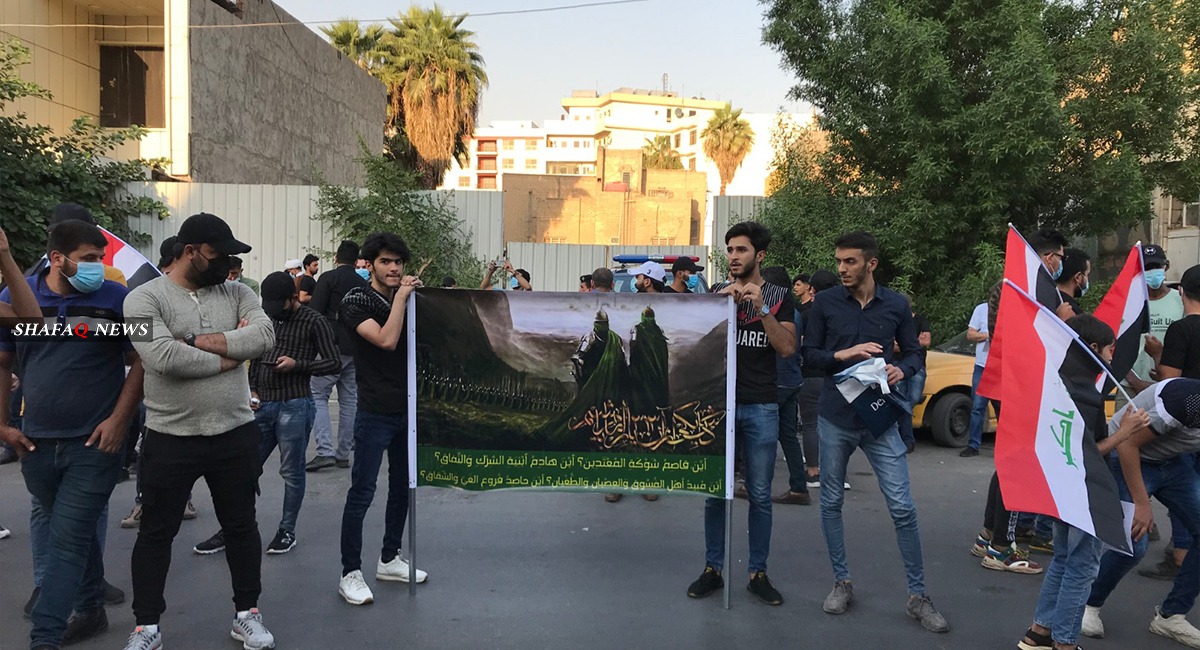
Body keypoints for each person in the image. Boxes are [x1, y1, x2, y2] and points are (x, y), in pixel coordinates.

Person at [121, 213, 277, 650]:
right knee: (156, 533)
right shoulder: (139, 300)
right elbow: (162, 359)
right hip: (170, 437)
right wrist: (231, 350)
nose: (227, 264)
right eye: (217, 254)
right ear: (189, 252)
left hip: (235, 432)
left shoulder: (240, 291)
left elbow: (264, 338)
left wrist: (190, 340)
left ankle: (247, 614)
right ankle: (146, 627)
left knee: (241, 527)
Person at [0, 220, 144, 648]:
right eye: (89, 259)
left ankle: (44, 637)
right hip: (36, 443)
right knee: (73, 532)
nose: (97, 267)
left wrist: (119, 419)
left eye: (101, 259)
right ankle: (92, 607)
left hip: (95, 443)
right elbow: (3, 364)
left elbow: (142, 360)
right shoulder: (15, 298)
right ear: (58, 259)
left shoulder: (118, 299)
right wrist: (4, 427)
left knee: (65, 539)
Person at [802, 231, 948, 632]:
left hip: (880, 419)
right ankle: (841, 582)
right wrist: (842, 354)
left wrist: (905, 368)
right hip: (835, 417)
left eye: (850, 262)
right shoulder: (825, 303)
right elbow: (809, 357)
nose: (842, 269)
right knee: (831, 502)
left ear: (871, 264)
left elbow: (915, 350)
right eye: (839, 262)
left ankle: (919, 596)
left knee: (902, 507)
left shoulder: (897, 304)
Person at [1016, 314, 1151, 650]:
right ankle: (1064, 642)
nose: (1111, 356)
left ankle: (1039, 631)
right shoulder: (1085, 396)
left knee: (1063, 558)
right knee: (1083, 567)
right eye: (1109, 349)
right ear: (1092, 349)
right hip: (1085, 491)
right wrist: (1126, 432)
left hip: (1061, 488)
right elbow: (1087, 453)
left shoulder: (1059, 383)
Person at [686, 222, 796, 606]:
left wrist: (761, 307)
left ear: (759, 255)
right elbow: (698, 344)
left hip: (761, 404)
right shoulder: (716, 293)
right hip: (719, 404)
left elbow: (786, 348)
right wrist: (725, 307)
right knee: (715, 491)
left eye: (742, 250)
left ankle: (757, 573)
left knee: (761, 494)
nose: (733, 257)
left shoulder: (781, 295)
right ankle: (712, 568)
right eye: (730, 250)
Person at [193, 272, 340, 557]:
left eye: (280, 306)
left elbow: (334, 362)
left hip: (296, 404)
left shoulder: (314, 321)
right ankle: (233, 528)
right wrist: (253, 391)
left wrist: (297, 364)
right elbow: (255, 358)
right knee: (244, 470)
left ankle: (287, 530)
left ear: (293, 299)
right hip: (262, 405)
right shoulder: (267, 318)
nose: (275, 312)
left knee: (292, 473)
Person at [337, 232, 428, 607]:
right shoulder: (356, 300)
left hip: (406, 409)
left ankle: (389, 558)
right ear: (370, 264)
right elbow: (387, 340)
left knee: (402, 488)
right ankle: (350, 572)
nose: (394, 269)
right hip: (374, 410)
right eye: (386, 262)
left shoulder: (408, 298)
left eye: (398, 262)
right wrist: (403, 298)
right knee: (362, 492)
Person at [1080, 377, 1200, 647]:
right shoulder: (1186, 402)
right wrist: (1142, 504)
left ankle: (1170, 616)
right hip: (1130, 456)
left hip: (1173, 460)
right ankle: (1088, 604)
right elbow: (1127, 444)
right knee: (1135, 542)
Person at [1142, 264, 1200, 581]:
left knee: (1181, 486)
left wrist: (1158, 355)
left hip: (1185, 420)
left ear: (1181, 293)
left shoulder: (1182, 329)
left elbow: (1169, 384)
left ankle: (1180, 553)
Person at [306, 240, 368, 472]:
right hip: (356, 346)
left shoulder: (328, 279)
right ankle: (343, 454)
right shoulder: (362, 283)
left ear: (336, 258)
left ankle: (324, 452)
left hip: (329, 346)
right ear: (356, 261)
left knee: (317, 393)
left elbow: (315, 312)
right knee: (349, 398)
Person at [762, 266, 810, 506]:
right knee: (788, 436)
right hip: (793, 379)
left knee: (763, 435)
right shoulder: (796, 313)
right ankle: (799, 487)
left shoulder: (777, 313)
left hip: (777, 380)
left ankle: (755, 485)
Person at [800, 269, 840, 489]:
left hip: (811, 374)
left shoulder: (808, 314)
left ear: (812, 289)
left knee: (810, 425)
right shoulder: (844, 312)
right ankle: (838, 474)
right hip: (836, 376)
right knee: (835, 426)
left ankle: (813, 471)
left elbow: (800, 345)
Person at [895, 295, 931, 454]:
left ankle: (899, 433)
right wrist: (914, 342)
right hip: (898, 366)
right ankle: (908, 440)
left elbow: (926, 342)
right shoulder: (894, 321)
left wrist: (903, 344)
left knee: (913, 398)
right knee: (900, 399)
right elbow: (892, 346)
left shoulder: (921, 320)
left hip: (917, 366)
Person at [961, 292, 995, 458]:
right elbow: (970, 334)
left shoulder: (1010, 310)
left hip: (1001, 367)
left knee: (1002, 409)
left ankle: (1004, 447)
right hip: (982, 365)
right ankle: (973, 444)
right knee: (977, 407)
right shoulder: (982, 309)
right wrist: (988, 335)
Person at [1055, 247, 1091, 319]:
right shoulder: (1073, 313)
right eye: (1087, 274)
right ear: (1078, 277)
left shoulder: (1046, 300)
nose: (1087, 280)